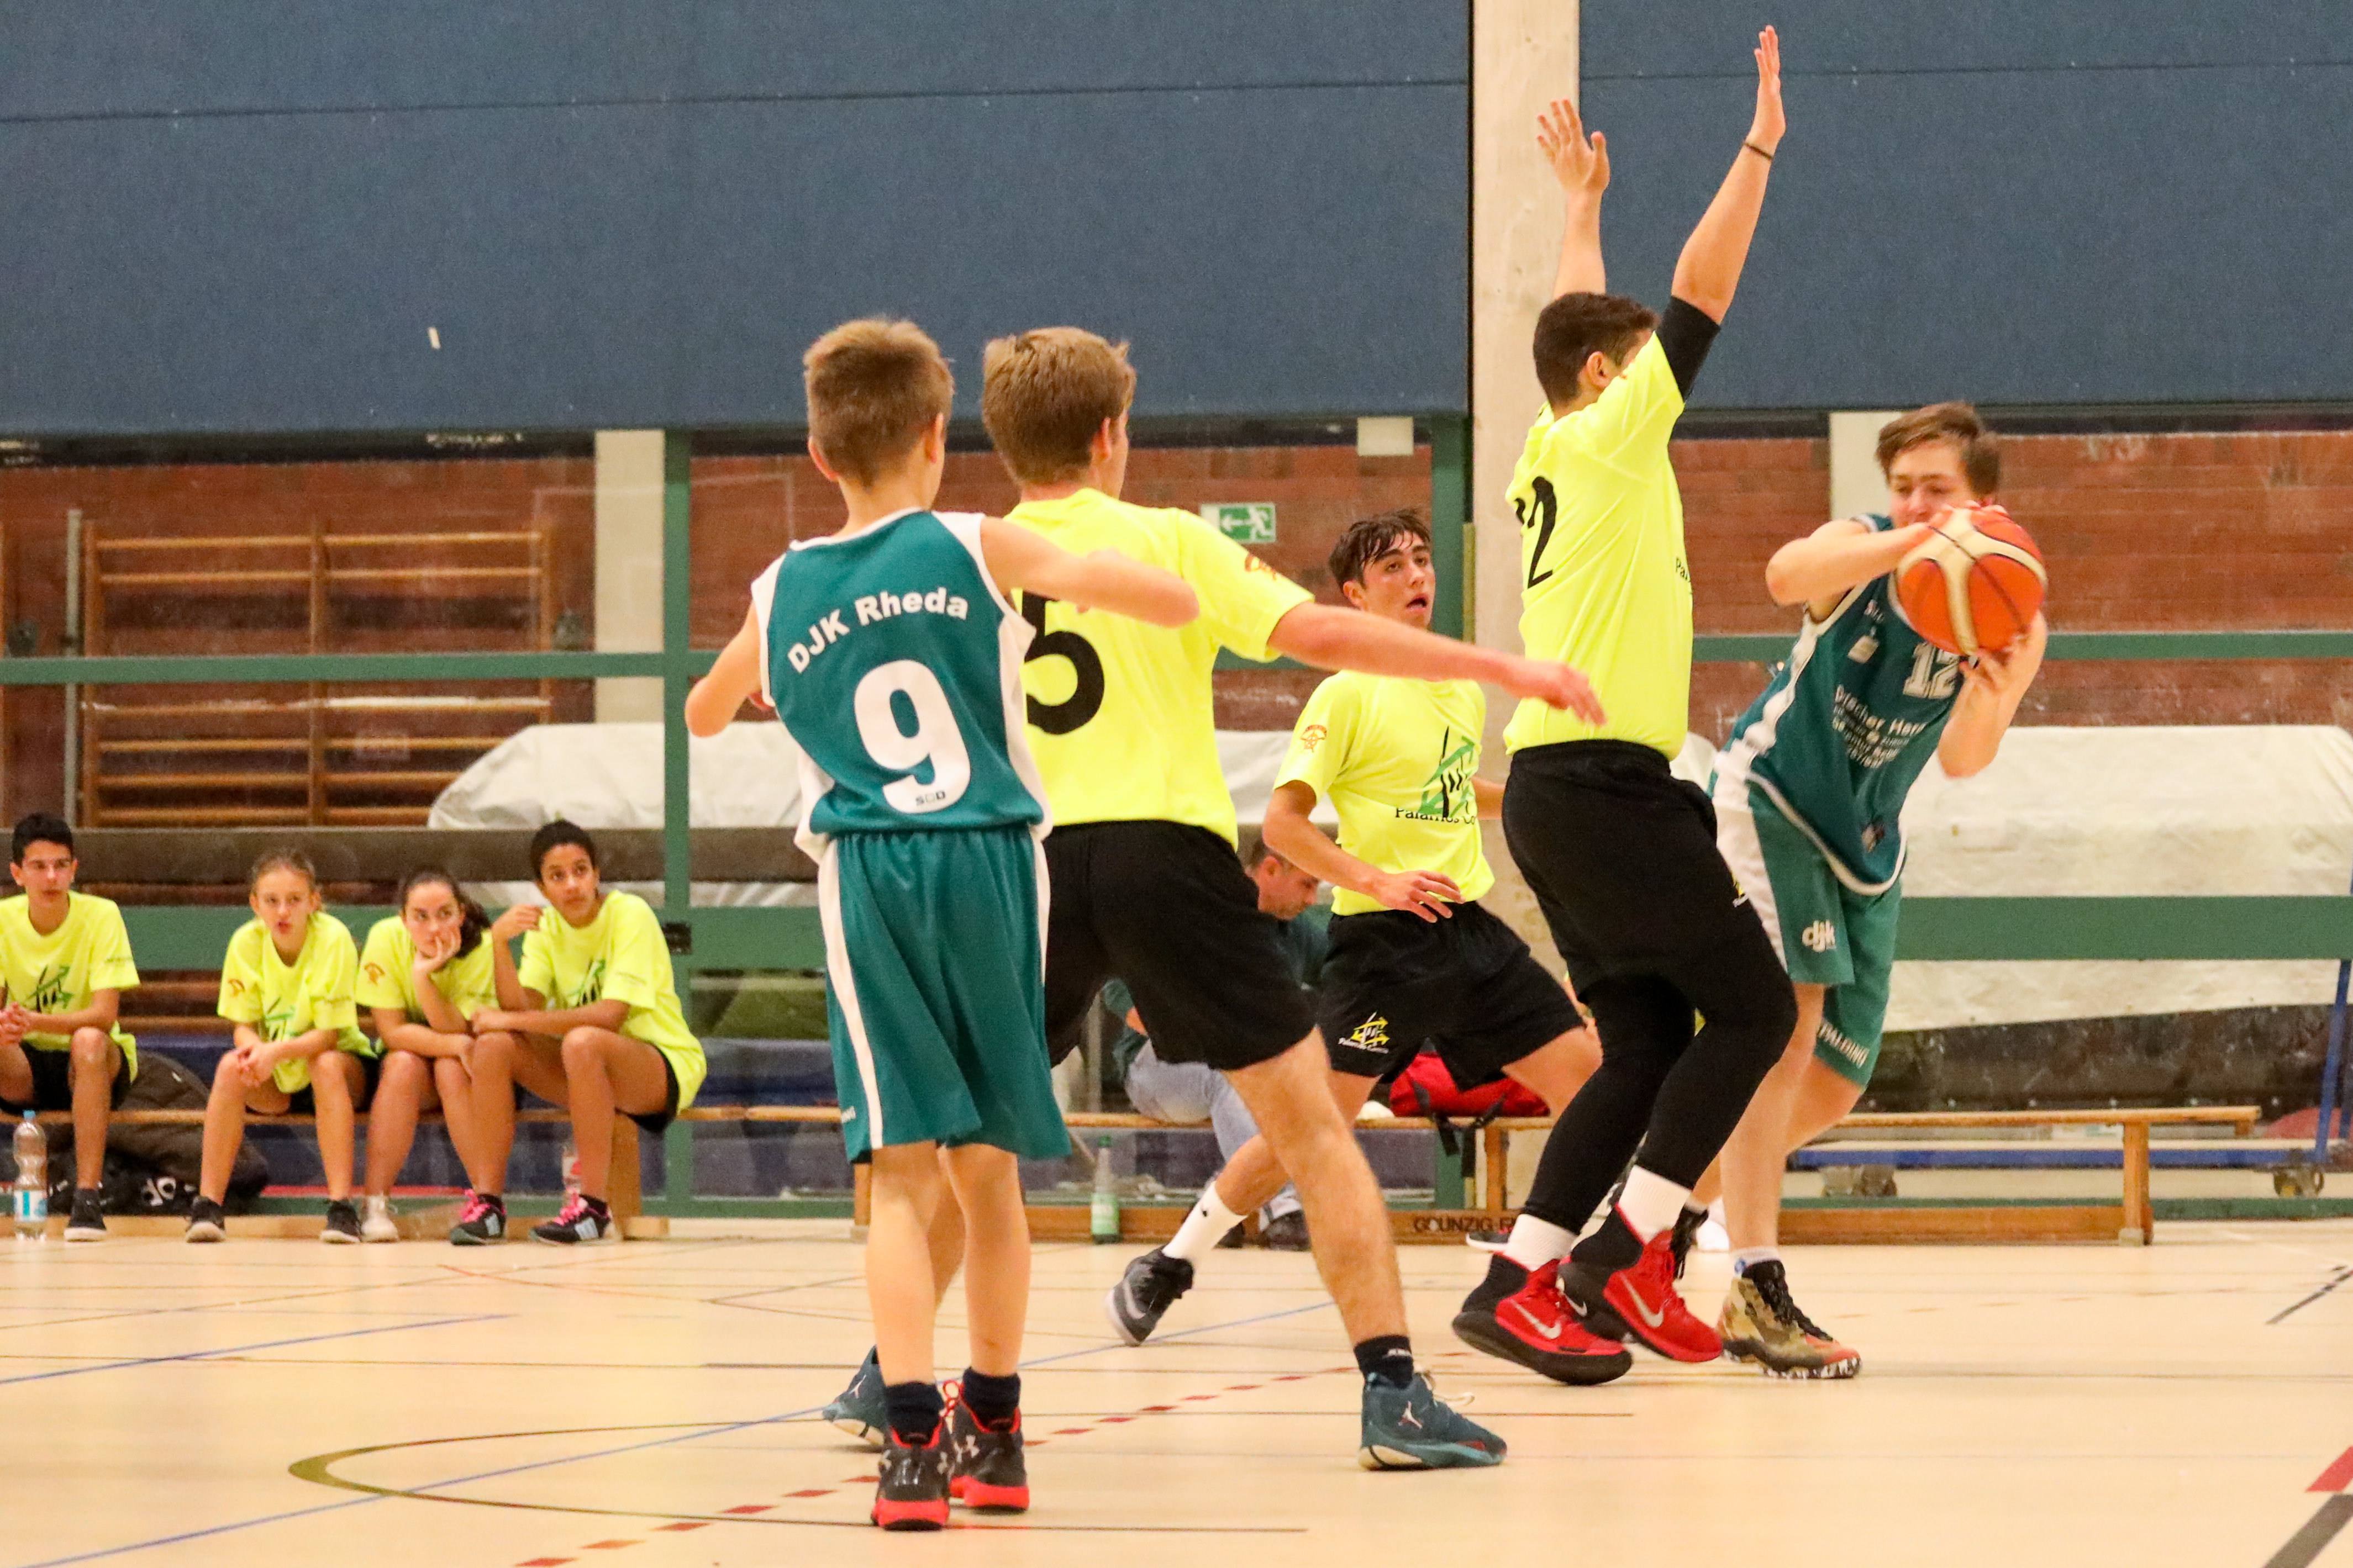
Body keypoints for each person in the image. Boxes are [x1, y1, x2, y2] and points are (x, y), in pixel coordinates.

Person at [684, 316, 1198, 1529]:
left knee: (901, 1178)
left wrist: (779, 677)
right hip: (992, 861)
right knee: (989, 1171)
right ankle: (998, 1434)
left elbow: (705, 712)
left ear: (820, 455)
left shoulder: (782, 586)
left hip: (869, 871)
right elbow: (1168, 599)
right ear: (935, 436)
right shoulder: (976, 541)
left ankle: (910, 1449)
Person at [1452, 35, 1806, 1385]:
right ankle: (1623, 1255)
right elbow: (1698, 291)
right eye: (1640, 364)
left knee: (1648, 1038)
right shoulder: (1609, 434)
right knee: (1756, 1013)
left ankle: (1515, 1279)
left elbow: (1572, 326)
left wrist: (1579, 210)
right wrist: (1757, 146)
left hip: (1559, 793)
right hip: (1604, 785)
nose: (1665, 377)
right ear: (1610, 382)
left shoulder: (1549, 442)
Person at [1108, 509, 1603, 1348]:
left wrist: (1536, 796)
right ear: (1354, 595)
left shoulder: (1455, 691)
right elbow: (1283, 824)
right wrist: (1375, 877)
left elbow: (1453, 793)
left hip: (1468, 938)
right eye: (1391, 568)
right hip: (1382, 952)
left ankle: (1540, 1270)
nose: (1416, 577)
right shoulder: (1342, 694)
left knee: (1593, 1084)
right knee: (1307, 1130)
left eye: (1421, 559)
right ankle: (1169, 1262)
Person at [1684, 404, 2046, 1375]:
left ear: (1984, 501)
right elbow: (1782, 573)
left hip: (1865, 837)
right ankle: (1754, 1284)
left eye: (1939, 490)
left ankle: (1657, 1209)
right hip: (1772, 798)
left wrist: (1998, 689)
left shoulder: (2010, 604)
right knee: (1785, 1025)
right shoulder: (1863, 548)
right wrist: (1911, 538)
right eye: (1904, 488)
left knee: (1835, 1081)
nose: (1917, 503)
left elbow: (1962, 758)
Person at [469, 821, 706, 1245]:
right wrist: (499, 944)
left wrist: (512, 1021)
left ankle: (593, 1210)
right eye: (557, 875)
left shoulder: (629, 913)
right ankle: (488, 1206)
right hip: (587, 1068)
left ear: (597, 874)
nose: (572, 884)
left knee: (582, 1039)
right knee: (492, 1046)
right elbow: (521, 1009)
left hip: (660, 1065)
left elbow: (610, 1016)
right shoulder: (546, 929)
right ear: (541, 887)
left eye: (580, 870)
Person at [1108, 837, 1324, 1254]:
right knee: (1236, 1069)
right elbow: (1118, 992)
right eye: (1307, 884)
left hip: (1249, 1066)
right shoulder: (1187, 913)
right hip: (1157, 1067)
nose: (1313, 899)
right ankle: (1282, 1207)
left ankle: (1215, 1205)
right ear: (1270, 869)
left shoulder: (1296, 934)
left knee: (1280, 1070)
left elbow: (1344, 977)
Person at [188, 851, 380, 1243]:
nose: (283, 911)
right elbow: (243, 1027)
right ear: (254, 904)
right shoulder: (245, 942)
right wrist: (256, 1051)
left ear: (314, 901)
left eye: (294, 900)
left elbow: (328, 1036)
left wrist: (272, 1052)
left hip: (340, 1067)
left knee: (325, 1064)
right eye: (272, 900)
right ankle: (208, 1207)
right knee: (230, 1066)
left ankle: (341, 1209)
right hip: (278, 1072)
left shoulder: (333, 939)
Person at [354, 867, 514, 1244]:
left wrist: (424, 979)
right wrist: (455, 1044)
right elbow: (393, 1032)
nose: (434, 928)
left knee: (449, 1068)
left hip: (468, 1072)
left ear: (461, 913)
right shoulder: (385, 938)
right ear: (403, 919)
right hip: (412, 1066)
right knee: (401, 1064)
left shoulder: (482, 947)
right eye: (421, 917)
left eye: (445, 914)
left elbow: (460, 1031)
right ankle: (374, 1206)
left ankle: (487, 1205)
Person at [0, 813, 139, 1243]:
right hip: (27, 1066)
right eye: (39, 866)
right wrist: (6, 1026)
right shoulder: (2, 919)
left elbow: (105, 1014)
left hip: (92, 1064)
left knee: (89, 1040)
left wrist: (36, 1020)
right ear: (18, 873)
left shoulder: (102, 915)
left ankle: (87, 1199)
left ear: (74, 870)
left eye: (61, 865)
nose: (51, 877)